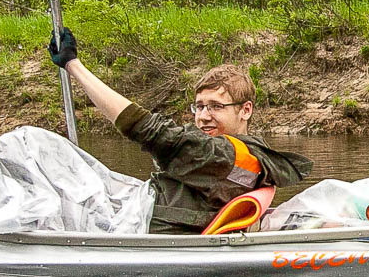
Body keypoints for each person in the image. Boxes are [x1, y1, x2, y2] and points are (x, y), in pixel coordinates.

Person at [48, 27, 313, 232]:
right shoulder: (246, 155)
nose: (204, 117)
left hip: (137, 225)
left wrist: (73, 66)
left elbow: (146, 128)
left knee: (34, 146)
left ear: (245, 110)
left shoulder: (225, 155)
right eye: (200, 107)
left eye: (216, 107)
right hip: (131, 211)